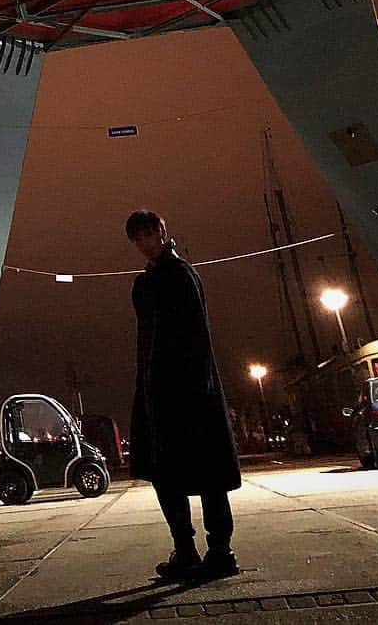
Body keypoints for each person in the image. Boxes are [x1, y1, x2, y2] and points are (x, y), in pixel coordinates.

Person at [126, 209, 241, 580]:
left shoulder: (181, 275)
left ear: (162, 232)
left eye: (150, 233)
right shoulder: (146, 283)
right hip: (159, 393)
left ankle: (219, 550)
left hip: (191, 392)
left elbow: (195, 339)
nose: (146, 242)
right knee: (168, 475)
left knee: (207, 474)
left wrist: (193, 385)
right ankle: (187, 549)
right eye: (138, 237)